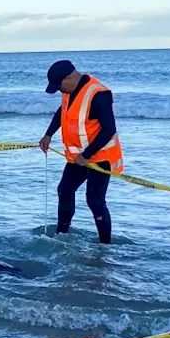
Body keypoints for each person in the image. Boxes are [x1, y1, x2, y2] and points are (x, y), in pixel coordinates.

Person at [38, 59, 123, 244]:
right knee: (64, 190)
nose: (59, 91)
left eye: (59, 86)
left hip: (100, 156)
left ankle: (105, 245)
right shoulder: (69, 91)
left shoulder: (98, 94)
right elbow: (63, 111)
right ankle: (62, 235)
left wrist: (86, 155)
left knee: (94, 200)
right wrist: (48, 135)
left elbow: (109, 130)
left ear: (69, 78)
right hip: (77, 157)